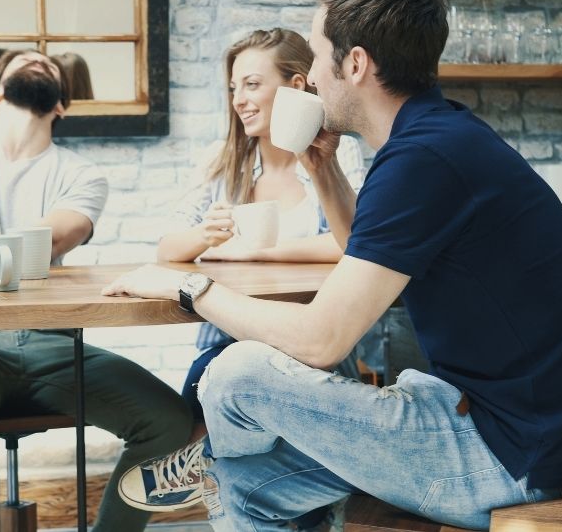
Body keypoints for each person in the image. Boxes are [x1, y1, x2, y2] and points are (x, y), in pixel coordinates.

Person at [105, 0, 562, 530]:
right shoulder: (437, 136)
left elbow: (321, 343)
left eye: (319, 57)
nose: (311, 79)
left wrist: (188, 287)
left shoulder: (421, 160)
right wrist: (322, 168)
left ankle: (215, 453)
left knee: (234, 372)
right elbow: (361, 254)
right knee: (240, 487)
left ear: (355, 64)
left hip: (508, 454)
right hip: (490, 417)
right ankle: (221, 462)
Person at [0, 49, 193, 532]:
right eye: (25, 61)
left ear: (61, 105)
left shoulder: (82, 175)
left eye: (50, 67)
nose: (39, 64)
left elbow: (54, 236)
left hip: (53, 345)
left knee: (168, 420)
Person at [157, 28, 415, 440]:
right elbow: (168, 247)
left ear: (297, 86)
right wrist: (205, 236)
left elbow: (352, 245)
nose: (239, 99)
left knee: (305, 416)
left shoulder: (331, 153)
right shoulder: (221, 159)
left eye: (253, 84)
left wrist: (252, 253)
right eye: (234, 87)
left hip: (310, 340)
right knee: (199, 410)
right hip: (229, 335)